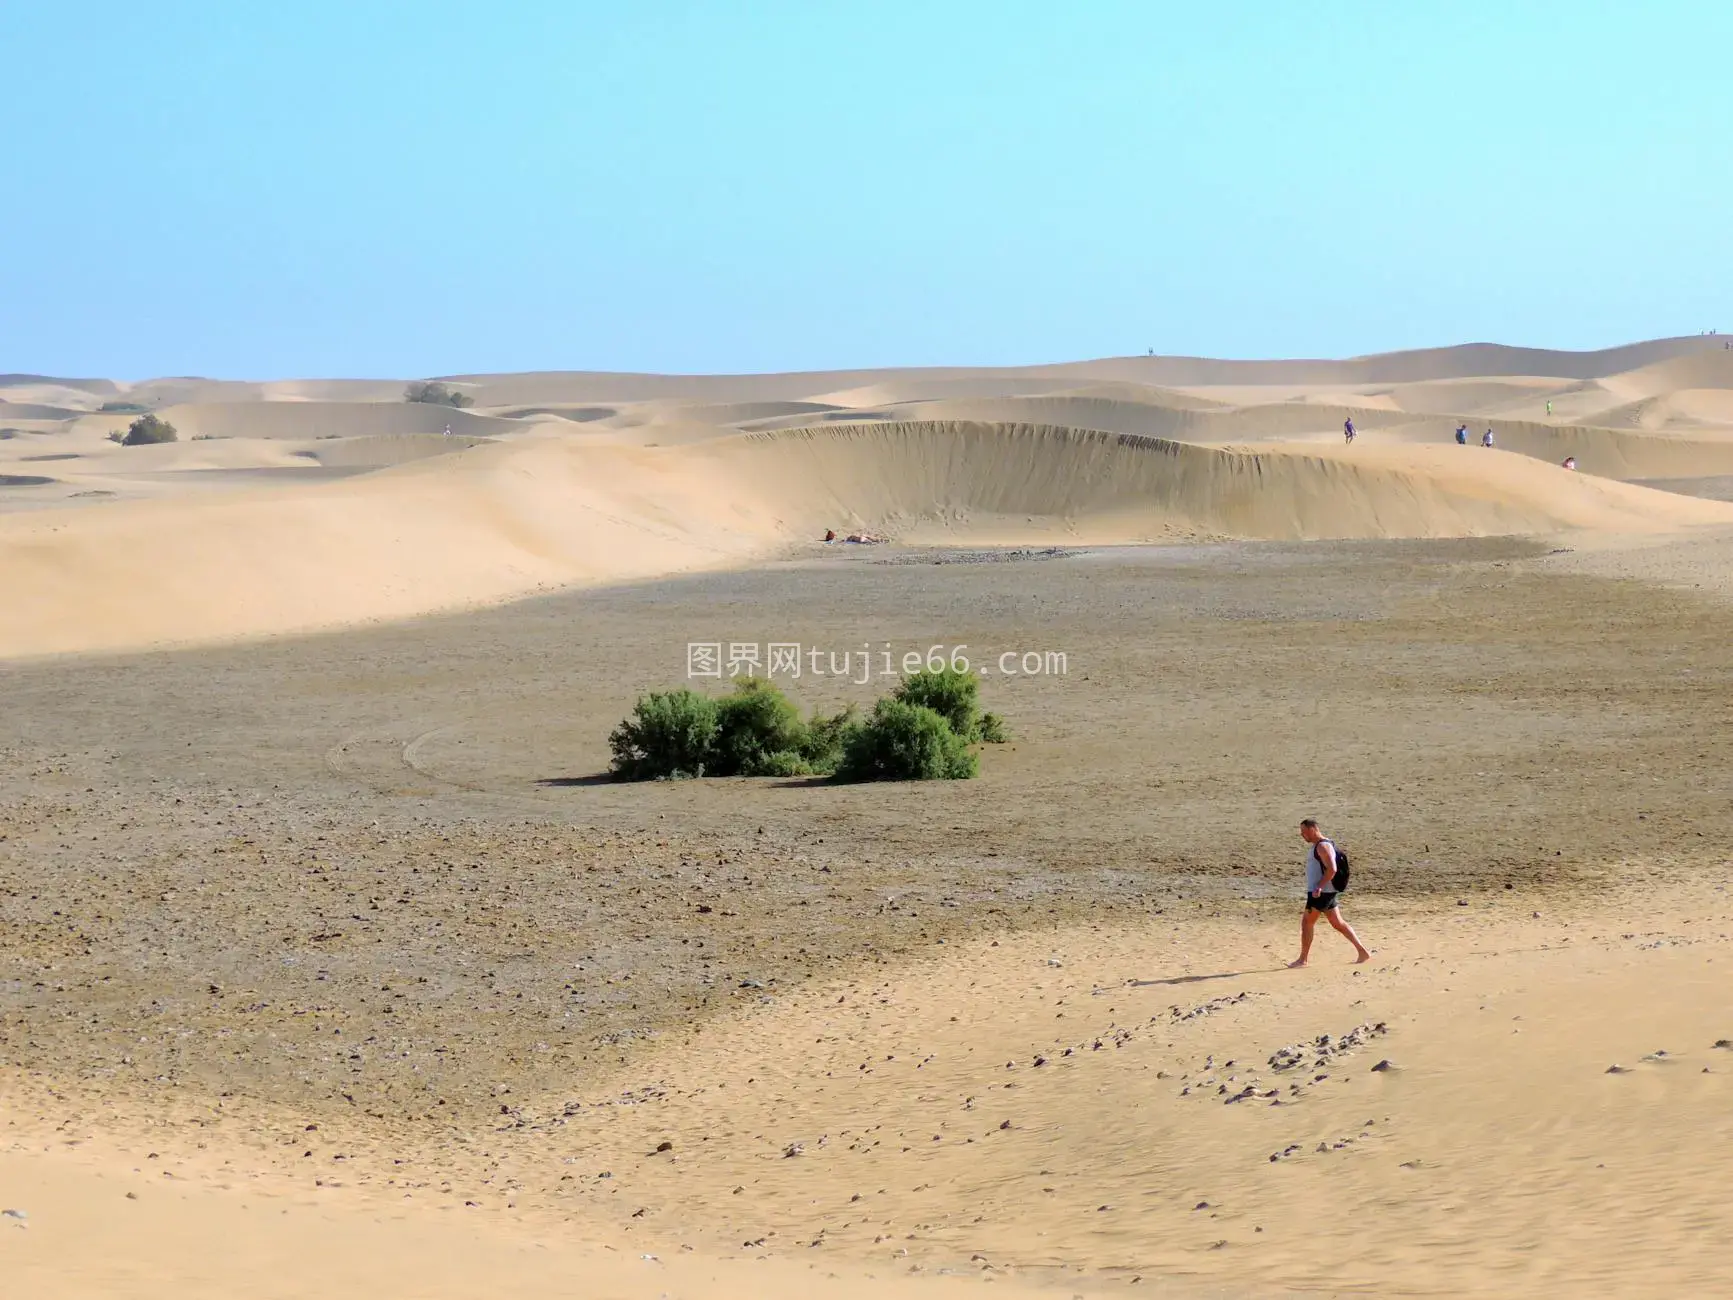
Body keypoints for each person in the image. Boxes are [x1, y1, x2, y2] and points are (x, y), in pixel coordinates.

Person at [1290, 819, 1371, 967]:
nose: (1302, 835)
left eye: (1304, 832)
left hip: (1321, 893)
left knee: (1307, 923)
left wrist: (1319, 887)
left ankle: (1303, 960)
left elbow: (1332, 869)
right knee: (1338, 923)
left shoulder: (1322, 846)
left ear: (1313, 829)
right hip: (1325, 892)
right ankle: (1363, 952)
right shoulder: (1321, 845)